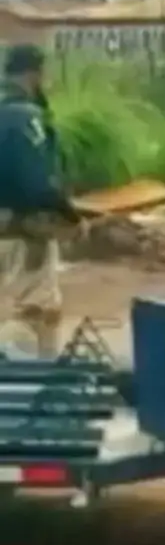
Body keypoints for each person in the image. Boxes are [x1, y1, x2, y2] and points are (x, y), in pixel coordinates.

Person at [0, 44, 79, 359]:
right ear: (35, 73)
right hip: (23, 228)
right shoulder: (23, 116)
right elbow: (37, 181)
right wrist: (68, 214)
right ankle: (31, 392)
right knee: (37, 313)